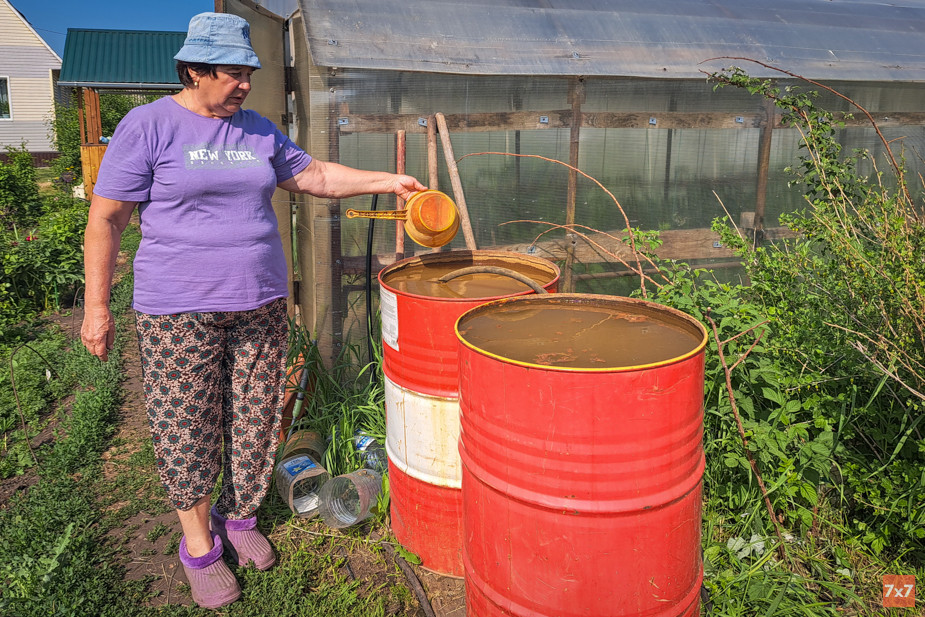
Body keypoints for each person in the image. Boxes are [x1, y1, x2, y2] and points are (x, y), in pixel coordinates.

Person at [80, 12, 426, 610]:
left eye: (249, 73)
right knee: (185, 424)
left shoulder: (259, 131)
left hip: (260, 302)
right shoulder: (148, 126)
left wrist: (388, 181)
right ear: (194, 70)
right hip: (178, 309)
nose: (244, 84)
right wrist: (96, 307)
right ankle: (199, 545)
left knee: (256, 416)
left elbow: (316, 175)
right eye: (232, 73)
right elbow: (105, 219)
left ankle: (239, 516)